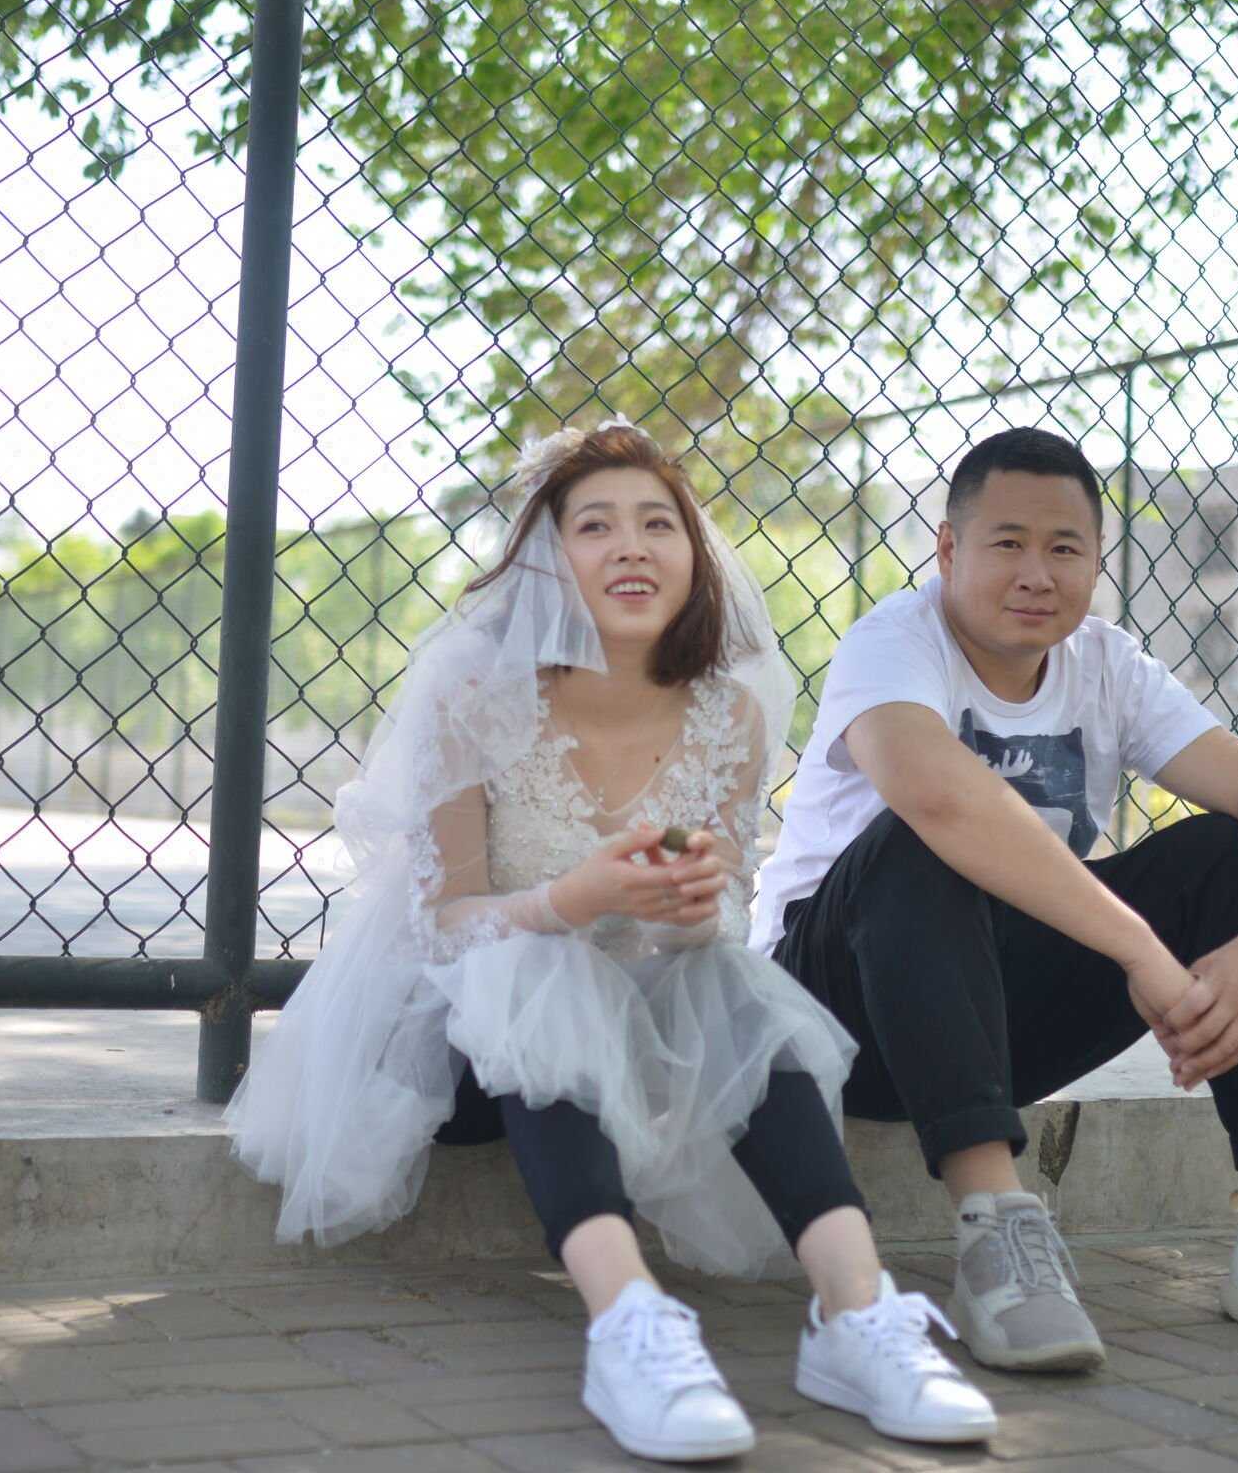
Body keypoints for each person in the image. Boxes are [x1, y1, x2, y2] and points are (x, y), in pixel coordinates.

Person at [227, 422, 996, 1463]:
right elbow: (439, 927)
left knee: (729, 976)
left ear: (695, 555)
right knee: (544, 962)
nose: (631, 546)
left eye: (657, 525)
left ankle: (858, 1316)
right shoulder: (474, 698)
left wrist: (691, 909)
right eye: (594, 526)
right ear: (548, 559)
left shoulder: (729, 712)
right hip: (465, 1052)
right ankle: (631, 1324)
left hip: (642, 1035)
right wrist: (569, 900)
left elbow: (721, 912)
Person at [751, 427, 1238, 1370]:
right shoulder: (892, 640)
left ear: (1096, 562)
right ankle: (997, 1231)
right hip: (835, 1018)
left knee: (1226, 850)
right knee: (924, 837)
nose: (1036, 573)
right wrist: (1142, 953)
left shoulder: (1106, 662)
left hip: (990, 1019)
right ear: (948, 550)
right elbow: (937, 798)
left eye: (1065, 548)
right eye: (1007, 543)